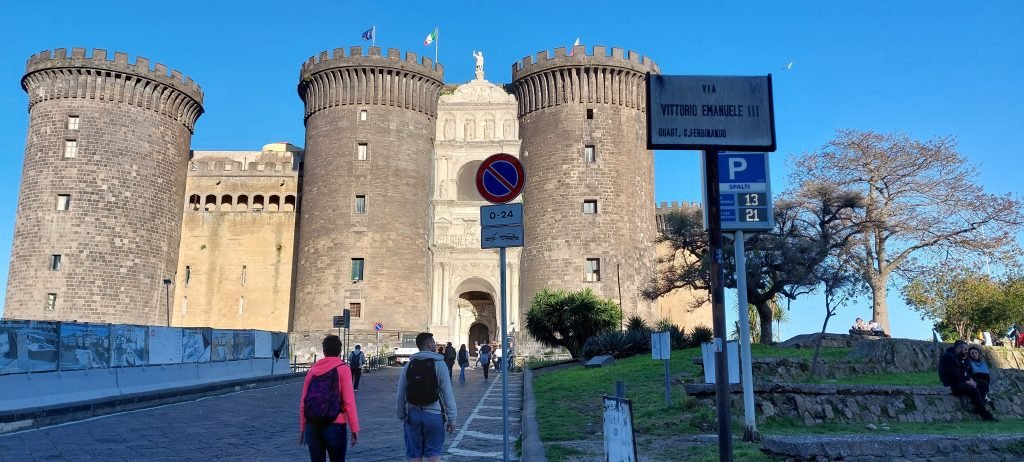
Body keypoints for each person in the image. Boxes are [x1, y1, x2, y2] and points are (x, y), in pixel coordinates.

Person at [396, 332, 457, 462]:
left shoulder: (409, 365)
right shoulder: (440, 365)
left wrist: (402, 415)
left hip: (413, 415)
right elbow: (447, 394)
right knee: (434, 453)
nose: (435, 344)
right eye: (433, 342)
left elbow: (400, 394)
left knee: (415, 455)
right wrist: (452, 419)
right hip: (434, 416)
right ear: (429, 344)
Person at [299, 335, 360, 461]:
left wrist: (303, 428)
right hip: (335, 424)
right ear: (340, 351)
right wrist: (354, 428)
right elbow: (349, 402)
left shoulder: (313, 370)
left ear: (324, 351)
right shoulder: (343, 369)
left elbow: (303, 402)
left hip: (313, 424)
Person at [938, 340, 996, 421]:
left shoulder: (959, 356)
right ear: (959, 348)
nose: (966, 352)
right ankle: (984, 413)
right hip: (951, 382)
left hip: (960, 380)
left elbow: (964, 371)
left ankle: (980, 405)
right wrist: (967, 381)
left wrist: (970, 380)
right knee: (974, 390)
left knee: (983, 384)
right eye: (965, 350)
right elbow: (953, 374)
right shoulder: (949, 357)